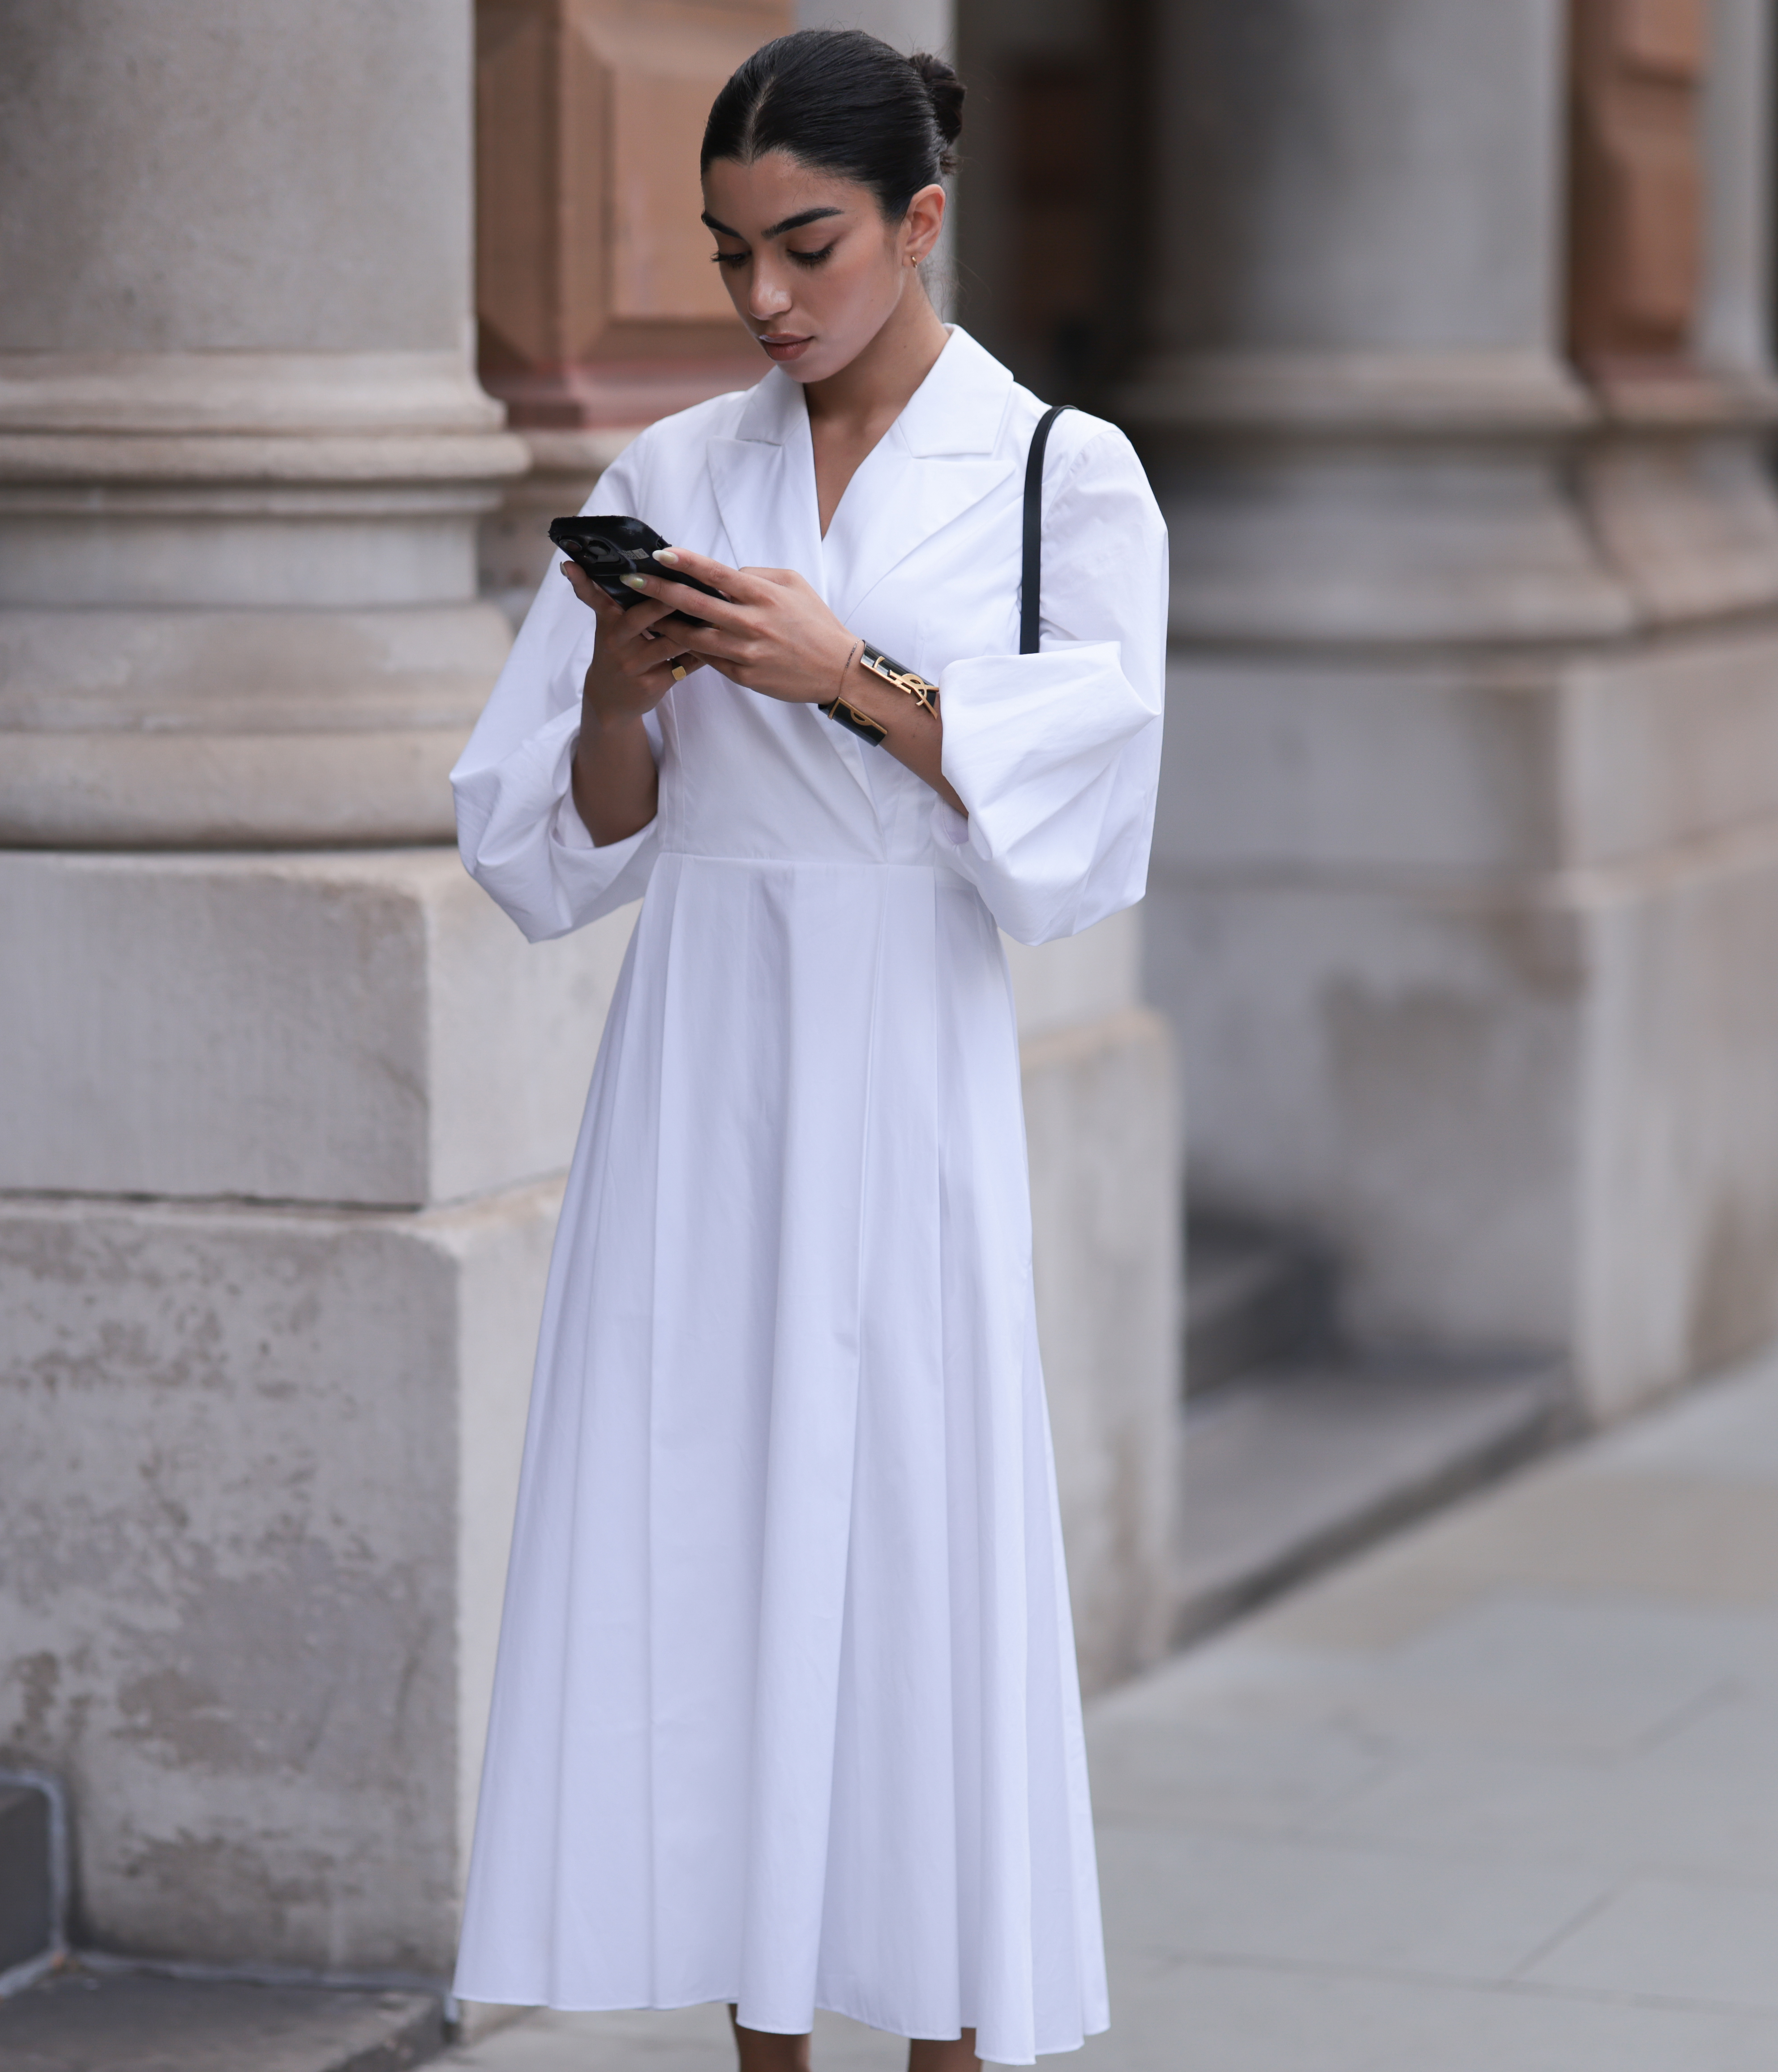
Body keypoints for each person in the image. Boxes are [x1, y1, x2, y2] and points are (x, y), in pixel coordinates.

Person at [449, 26, 1166, 2072]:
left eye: (806, 246)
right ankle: (759, 2039)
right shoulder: (672, 474)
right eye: (727, 252)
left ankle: (944, 2031)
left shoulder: (1060, 473)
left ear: (920, 221)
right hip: (702, 1065)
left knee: (916, 1557)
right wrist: (622, 687)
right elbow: (560, 841)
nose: (763, 296)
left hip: (904, 1052)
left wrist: (849, 675)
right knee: (711, 1546)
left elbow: (1082, 834)